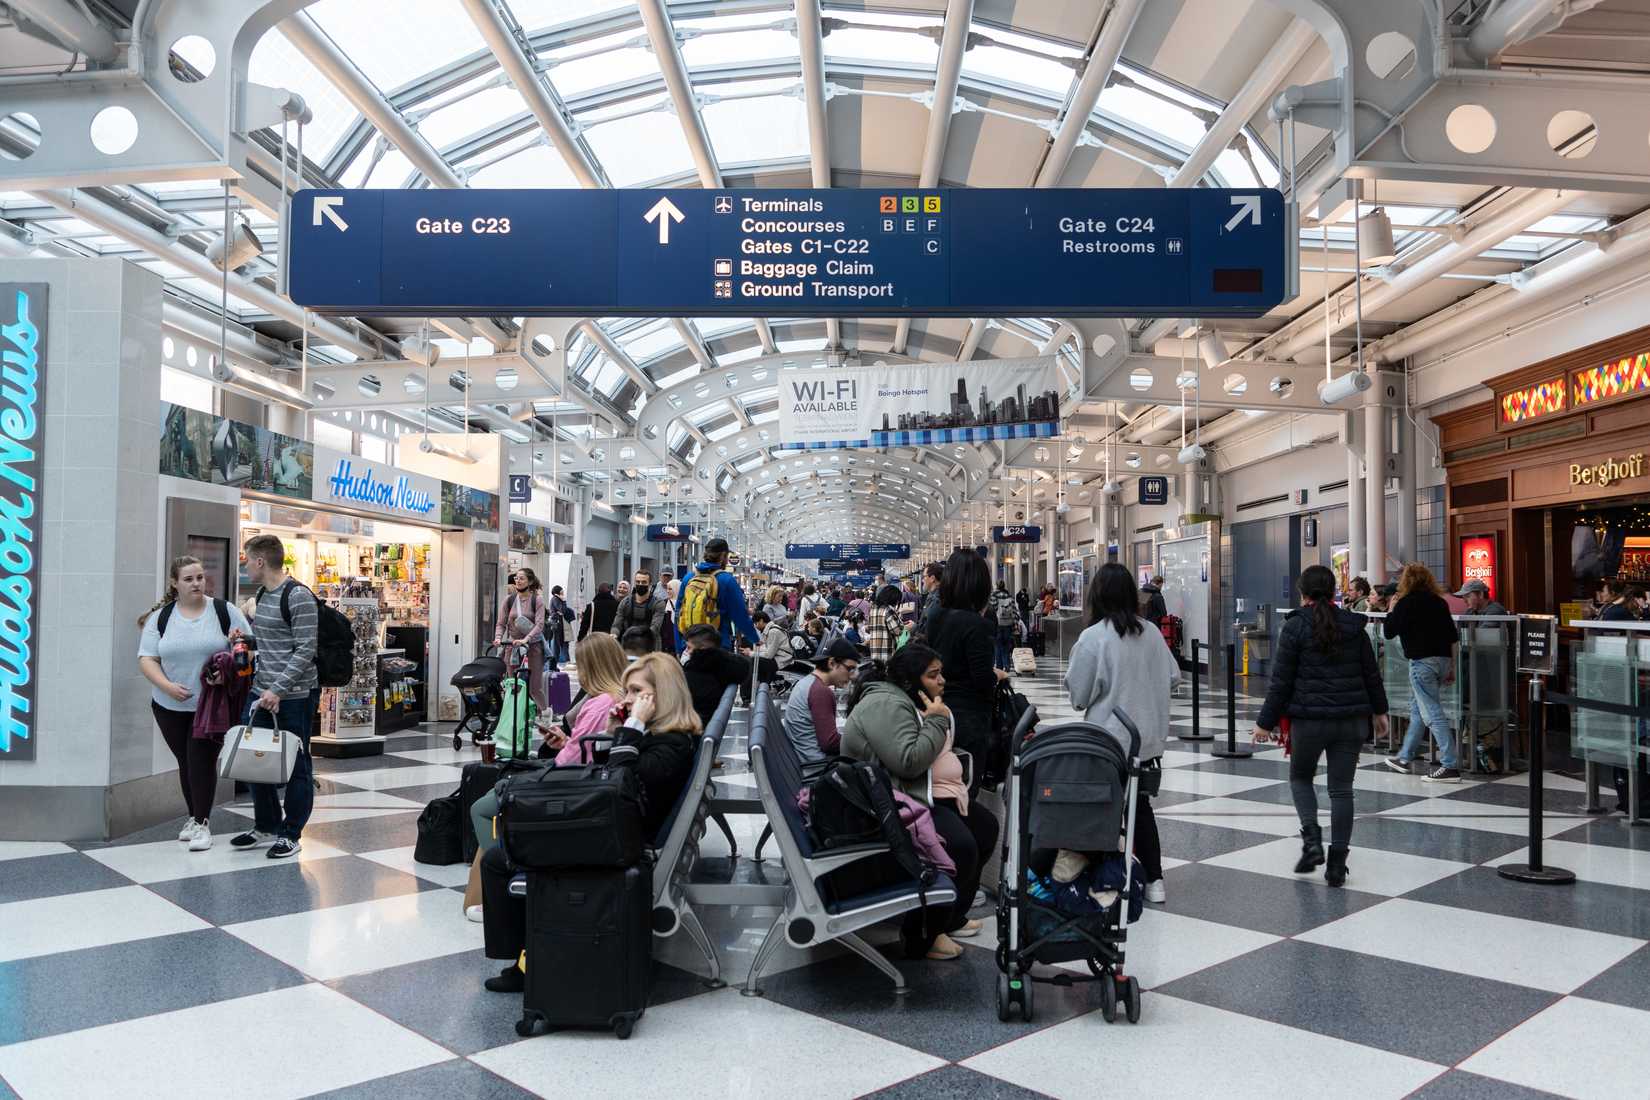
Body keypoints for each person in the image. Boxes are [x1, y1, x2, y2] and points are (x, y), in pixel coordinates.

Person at [480, 653, 701, 993]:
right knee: (505, 848)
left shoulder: (671, 744)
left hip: (620, 841)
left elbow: (623, 780)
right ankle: (526, 958)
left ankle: (525, 964)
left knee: (500, 858)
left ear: (662, 695)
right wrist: (615, 734)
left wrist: (630, 729)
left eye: (635, 691)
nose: (626, 699)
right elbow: (617, 777)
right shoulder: (667, 737)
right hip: (616, 829)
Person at [842, 643, 998, 961]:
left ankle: (951, 916)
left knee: (984, 827)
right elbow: (909, 761)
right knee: (960, 846)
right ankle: (921, 935)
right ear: (911, 680)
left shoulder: (900, 700)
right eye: (933, 675)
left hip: (902, 797)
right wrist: (938, 721)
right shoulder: (885, 704)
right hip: (882, 808)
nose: (942, 681)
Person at [1253, 565, 1390, 888]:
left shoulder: (1295, 628)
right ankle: (1337, 864)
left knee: (1301, 778)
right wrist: (1380, 712)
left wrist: (1265, 722)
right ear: (1334, 592)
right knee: (1342, 790)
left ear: (1302, 593)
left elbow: (1281, 682)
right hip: (1351, 721)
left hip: (1309, 722)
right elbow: (1371, 673)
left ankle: (1312, 839)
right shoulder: (1354, 626)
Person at [1064, 563, 1179, 904]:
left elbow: (1079, 696)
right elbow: (1174, 677)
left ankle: (1107, 879)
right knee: (1140, 807)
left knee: (1102, 807)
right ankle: (1155, 880)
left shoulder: (1093, 637)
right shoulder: (1152, 633)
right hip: (1147, 741)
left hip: (1107, 742)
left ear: (1095, 595)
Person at [137, 556, 252, 851]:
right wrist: (167, 687)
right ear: (175, 583)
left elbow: (247, 652)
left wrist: (228, 667)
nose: (196, 584)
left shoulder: (224, 611)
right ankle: (193, 816)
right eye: (188, 579)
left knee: (201, 762)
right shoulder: (161, 618)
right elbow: (147, 658)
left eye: (200, 577)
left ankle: (202, 823)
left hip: (211, 706)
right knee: (186, 762)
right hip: (168, 705)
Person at [230, 534, 321, 859]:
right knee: (254, 760)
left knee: (297, 764)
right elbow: (274, 641)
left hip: (294, 695)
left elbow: (305, 650)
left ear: (260, 561)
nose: (244, 564)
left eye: (246, 558)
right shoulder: (263, 594)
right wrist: (246, 639)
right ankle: (266, 824)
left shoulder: (298, 596)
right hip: (261, 691)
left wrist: (278, 690)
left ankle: (291, 832)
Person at [925, 548, 1009, 781]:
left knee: (942, 782)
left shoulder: (935, 614)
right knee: (966, 783)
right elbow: (982, 680)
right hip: (969, 716)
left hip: (937, 710)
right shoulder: (976, 624)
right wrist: (998, 675)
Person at [1382, 563, 1462, 782]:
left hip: (1422, 663)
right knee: (1418, 710)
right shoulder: (1439, 602)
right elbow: (1452, 637)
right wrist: (1452, 667)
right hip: (1443, 659)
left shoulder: (1406, 603)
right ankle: (1405, 757)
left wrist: (1391, 610)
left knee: (1433, 713)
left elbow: (1388, 632)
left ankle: (1450, 765)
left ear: (1406, 581)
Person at [782, 637, 859, 766]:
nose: (851, 676)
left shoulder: (806, 682)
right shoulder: (820, 691)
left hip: (803, 758)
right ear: (832, 663)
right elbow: (830, 743)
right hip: (817, 765)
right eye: (849, 669)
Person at [676, 537, 760, 652]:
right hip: (717, 646)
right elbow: (740, 616)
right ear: (723, 556)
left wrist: (679, 648)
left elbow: (678, 614)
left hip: (689, 646)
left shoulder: (688, 578)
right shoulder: (727, 580)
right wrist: (755, 639)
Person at [493, 568, 548, 713]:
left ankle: (545, 712)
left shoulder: (537, 600)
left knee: (535, 687)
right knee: (513, 684)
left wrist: (526, 639)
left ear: (530, 581)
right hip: (512, 646)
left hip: (533, 646)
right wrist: (498, 637)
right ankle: (514, 716)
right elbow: (501, 623)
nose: (518, 580)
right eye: (516, 578)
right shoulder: (509, 600)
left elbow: (540, 624)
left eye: (522, 578)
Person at [680, 623, 752, 727]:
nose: (686, 652)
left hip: (690, 731)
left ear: (703, 649)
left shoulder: (694, 677)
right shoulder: (723, 668)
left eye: (689, 647)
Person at [610, 569, 669, 651]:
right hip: (629, 645)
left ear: (650, 584)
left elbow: (655, 627)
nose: (640, 584)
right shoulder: (625, 602)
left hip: (650, 646)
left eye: (644, 582)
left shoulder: (658, 603)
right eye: (638, 582)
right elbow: (617, 624)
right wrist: (614, 634)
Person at [863, 584, 905, 664]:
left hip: (875, 652)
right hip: (887, 653)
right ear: (892, 599)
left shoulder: (873, 609)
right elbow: (897, 631)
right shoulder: (888, 610)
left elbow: (871, 627)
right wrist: (906, 626)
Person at [990, 581, 1020, 671]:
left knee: (998, 645)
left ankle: (999, 667)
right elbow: (1015, 612)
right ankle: (1007, 666)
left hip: (998, 624)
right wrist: (1015, 623)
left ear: (997, 586)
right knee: (1006, 646)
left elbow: (992, 610)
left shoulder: (993, 596)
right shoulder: (1009, 596)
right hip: (1008, 624)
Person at [546, 584, 573, 671]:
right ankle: (555, 665)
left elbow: (561, 611)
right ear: (557, 591)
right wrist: (564, 602)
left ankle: (564, 661)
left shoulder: (557, 599)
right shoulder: (555, 599)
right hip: (556, 624)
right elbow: (563, 610)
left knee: (562, 643)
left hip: (559, 624)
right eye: (561, 591)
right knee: (557, 645)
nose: (563, 593)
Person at [920, 561, 944, 631]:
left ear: (932, 578)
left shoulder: (936, 599)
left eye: (924, 576)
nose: (922, 580)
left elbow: (929, 628)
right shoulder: (935, 596)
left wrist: (914, 627)